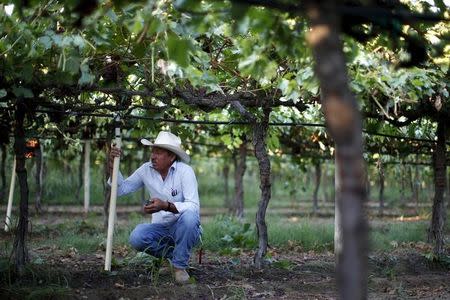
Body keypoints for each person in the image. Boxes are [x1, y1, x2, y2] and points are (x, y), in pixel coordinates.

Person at [108, 131, 201, 284]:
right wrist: (113, 167)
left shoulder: (185, 172)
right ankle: (177, 256)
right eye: (152, 151)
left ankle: (179, 267)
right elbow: (120, 189)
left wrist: (165, 205)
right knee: (137, 237)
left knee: (190, 216)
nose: (153, 156)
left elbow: (194, 207)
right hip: (160, 228)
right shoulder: (146, 169)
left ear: (171, 157)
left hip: (185, 228)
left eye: (158, 152)